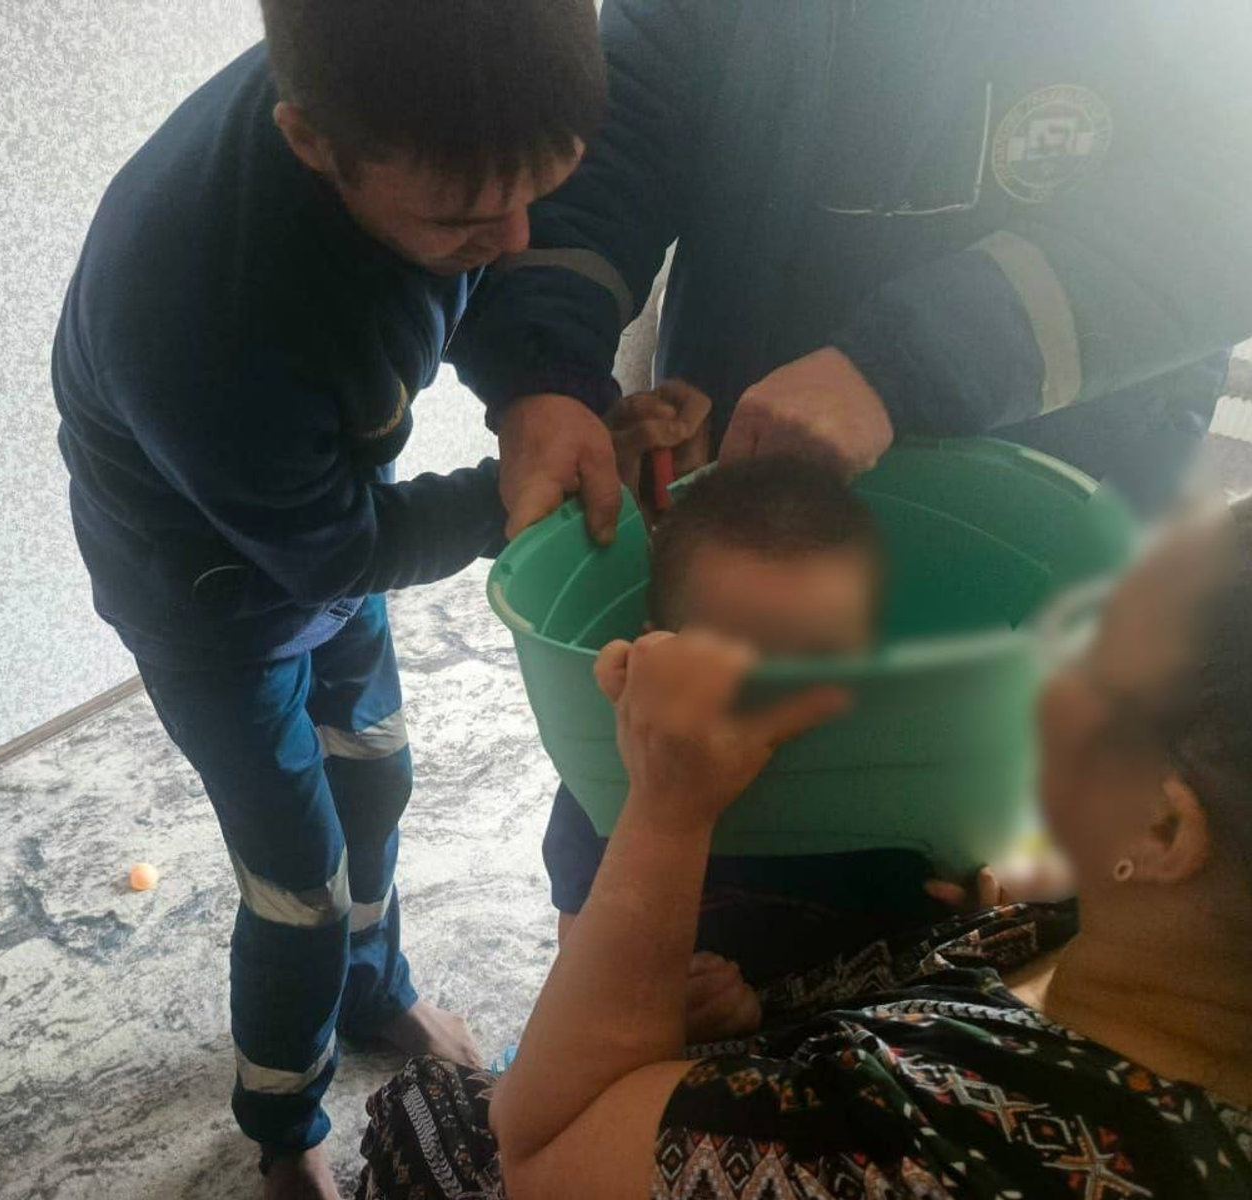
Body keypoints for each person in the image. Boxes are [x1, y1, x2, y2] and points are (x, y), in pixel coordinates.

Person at [451, 0, 1252, 974]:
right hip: (740, 466)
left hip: (1063, 490)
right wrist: (544, 367)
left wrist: (911, 361)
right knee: (652, 855)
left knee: (984, 869)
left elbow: (1227, 197)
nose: (799, 707)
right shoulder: (635, 757)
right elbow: (620, 124)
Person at [50, 3, 609, 1195]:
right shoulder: (198, 319)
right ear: (310, 141)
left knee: (375, 775)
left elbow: (487, 273)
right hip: (215, 607)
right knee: (297, 883)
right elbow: (335, 550)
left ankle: (374, 991)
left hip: (325, 538)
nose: (514, 239)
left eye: (539, 192)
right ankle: (282, 1125)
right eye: (462, 219)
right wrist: (515, 494)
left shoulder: (432, 85)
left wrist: (549, 390)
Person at [356, 496, 1252, 1199]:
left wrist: (665, 813)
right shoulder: (1150, 962)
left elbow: (540, 1152)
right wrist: (1025, 926)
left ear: (1160, 828)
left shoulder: (925, 1152)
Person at [551, 452, 918, 1034]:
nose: (784, 697)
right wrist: (671, 1006)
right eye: (744, 662)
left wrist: (981, 910)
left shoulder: (912, 766)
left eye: (823, 659)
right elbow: (580, 962)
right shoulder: (614, 781)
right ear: (658, 655)